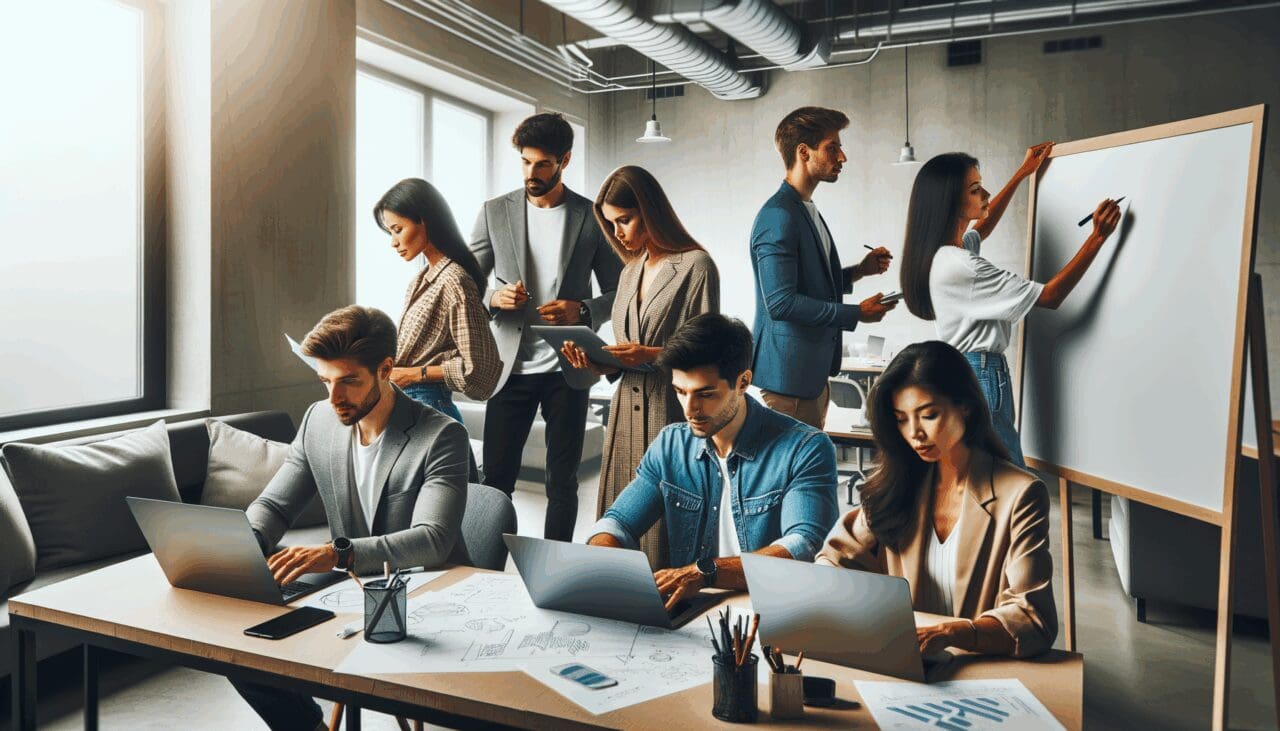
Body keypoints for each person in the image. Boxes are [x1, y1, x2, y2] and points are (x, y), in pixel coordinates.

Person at [234, 305, 471, 731]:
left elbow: (432, 540)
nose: (333, 398)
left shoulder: (442, 436)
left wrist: (337, 555)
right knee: (240, 644)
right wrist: (244, 542)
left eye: (348, 382)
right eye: (325, 381)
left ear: (385, 369)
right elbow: (274, 506)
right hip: (350, 582)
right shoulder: (318, 420)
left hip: (422, 585)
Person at [815, 341, 1057, 659]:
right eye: (901, 419)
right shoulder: (892, 487)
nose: (914, 432)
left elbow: (1032, 617)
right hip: (907, 668)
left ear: (965, 406)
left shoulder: (1021, 495)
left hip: (982, 670)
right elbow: (831, 562)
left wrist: (955, 633)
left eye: (928, 415)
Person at [587, 314, 839, 611]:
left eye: (706, 395)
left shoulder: (805, 448)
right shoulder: (671, 444)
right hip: (693, 615)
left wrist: (706, 572)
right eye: (680, 392)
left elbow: (805, 545)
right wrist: (605, 562)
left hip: (771, 612)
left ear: (743, 382)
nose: (690, 409)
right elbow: (616, 523)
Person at [898, 145, 1122, 465]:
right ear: (951, 202)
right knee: (1007, 478)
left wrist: (1022, 173)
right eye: (976, 190)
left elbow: (982, 229)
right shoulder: (963, 267)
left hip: (969, 369)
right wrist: (1098, 236)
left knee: (987, 475)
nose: (985, 194)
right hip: (982, 373)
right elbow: (1051, 296)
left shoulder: (946, 252)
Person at [469, 112, 623, 541]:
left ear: (564, 160)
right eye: (525, 162)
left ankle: (556, 570)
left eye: (542, 164)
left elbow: (620, 288)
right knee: (496, 481)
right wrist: (492, 299)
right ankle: (488, 571)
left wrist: (585, 312)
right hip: (509, 369)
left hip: (567, 367)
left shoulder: (592, 216)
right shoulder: (493, 212)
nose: (531, 173)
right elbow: (465, 283)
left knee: (563, 483)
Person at [561, 165, 720, 568]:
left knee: (667, 531)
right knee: (619, 524)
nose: (618, 233)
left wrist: (649, 355)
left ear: (650, 211)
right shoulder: (629, 272)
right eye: (611, 224)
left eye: (625, 220)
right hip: (624, 415)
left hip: (672, 412)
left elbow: (708, 354)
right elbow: (622, 352)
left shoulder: (696, 266)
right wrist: (600, 363)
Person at [750, 106, 898, 429]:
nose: (842, 157)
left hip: (809, 377)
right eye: (832, 148)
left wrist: (859, 271)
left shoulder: (805, 209)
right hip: (788, 383)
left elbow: (809, 282)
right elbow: (780, 302)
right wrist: (856, 313)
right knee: (792, 478)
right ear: (803, 152)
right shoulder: (779, 216)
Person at [374, 178, 502, 423]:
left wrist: (415, 375)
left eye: (398, 229)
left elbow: (481, 372)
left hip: (430, 407)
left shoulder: (455, 280)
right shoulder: (421, 280)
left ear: (425, 221)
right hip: (408, 405)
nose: (393, 242)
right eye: (390, 232)